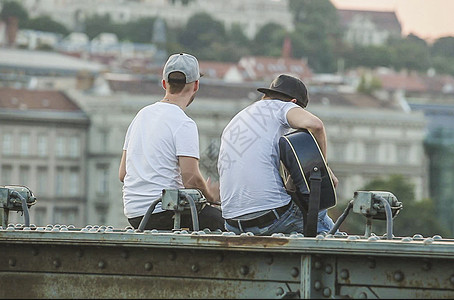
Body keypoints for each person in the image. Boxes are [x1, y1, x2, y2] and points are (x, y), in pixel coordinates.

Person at [218, 74, 338, 236]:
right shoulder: (281, 107)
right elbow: (315, 125)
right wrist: (324, 171)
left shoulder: (239, 117)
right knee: (324, 223)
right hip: (272, 219)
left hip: (232, 223)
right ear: (294, 103)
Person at [119, 53, 224, 231]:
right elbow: (190, 179)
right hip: (164, 212)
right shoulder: (184, 123)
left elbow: (123, 174)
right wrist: (211, 196)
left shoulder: (141, 115)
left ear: (164, 83)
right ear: (196, 85)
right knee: (230, 224)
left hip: (134, 214)